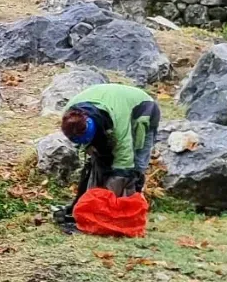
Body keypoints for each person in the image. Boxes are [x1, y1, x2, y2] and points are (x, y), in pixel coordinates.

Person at [59, 84, 160, 215]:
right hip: (108, 102)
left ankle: (131, 207)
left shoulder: (119, 122)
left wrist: (108, 197)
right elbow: (87, 148)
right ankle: (94, 203)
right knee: (99, 158)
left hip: (143, 109)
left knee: (135, 164)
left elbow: (124, 159)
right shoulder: (69, 115)